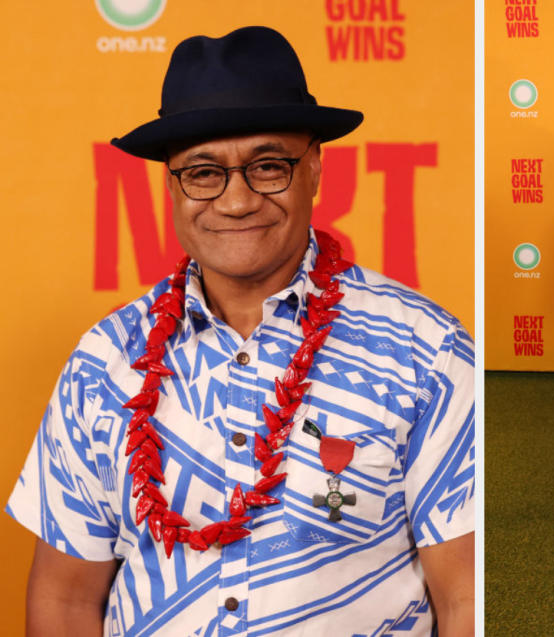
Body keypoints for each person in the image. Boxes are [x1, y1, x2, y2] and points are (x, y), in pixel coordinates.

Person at [7, 26, 474, 636]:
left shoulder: (424, 349)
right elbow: (65, 601)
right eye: (203, 172)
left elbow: (465, 598)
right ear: (171, 186)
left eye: (268, 165)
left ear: (314, 168)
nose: (236, 201)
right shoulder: (103, 363)